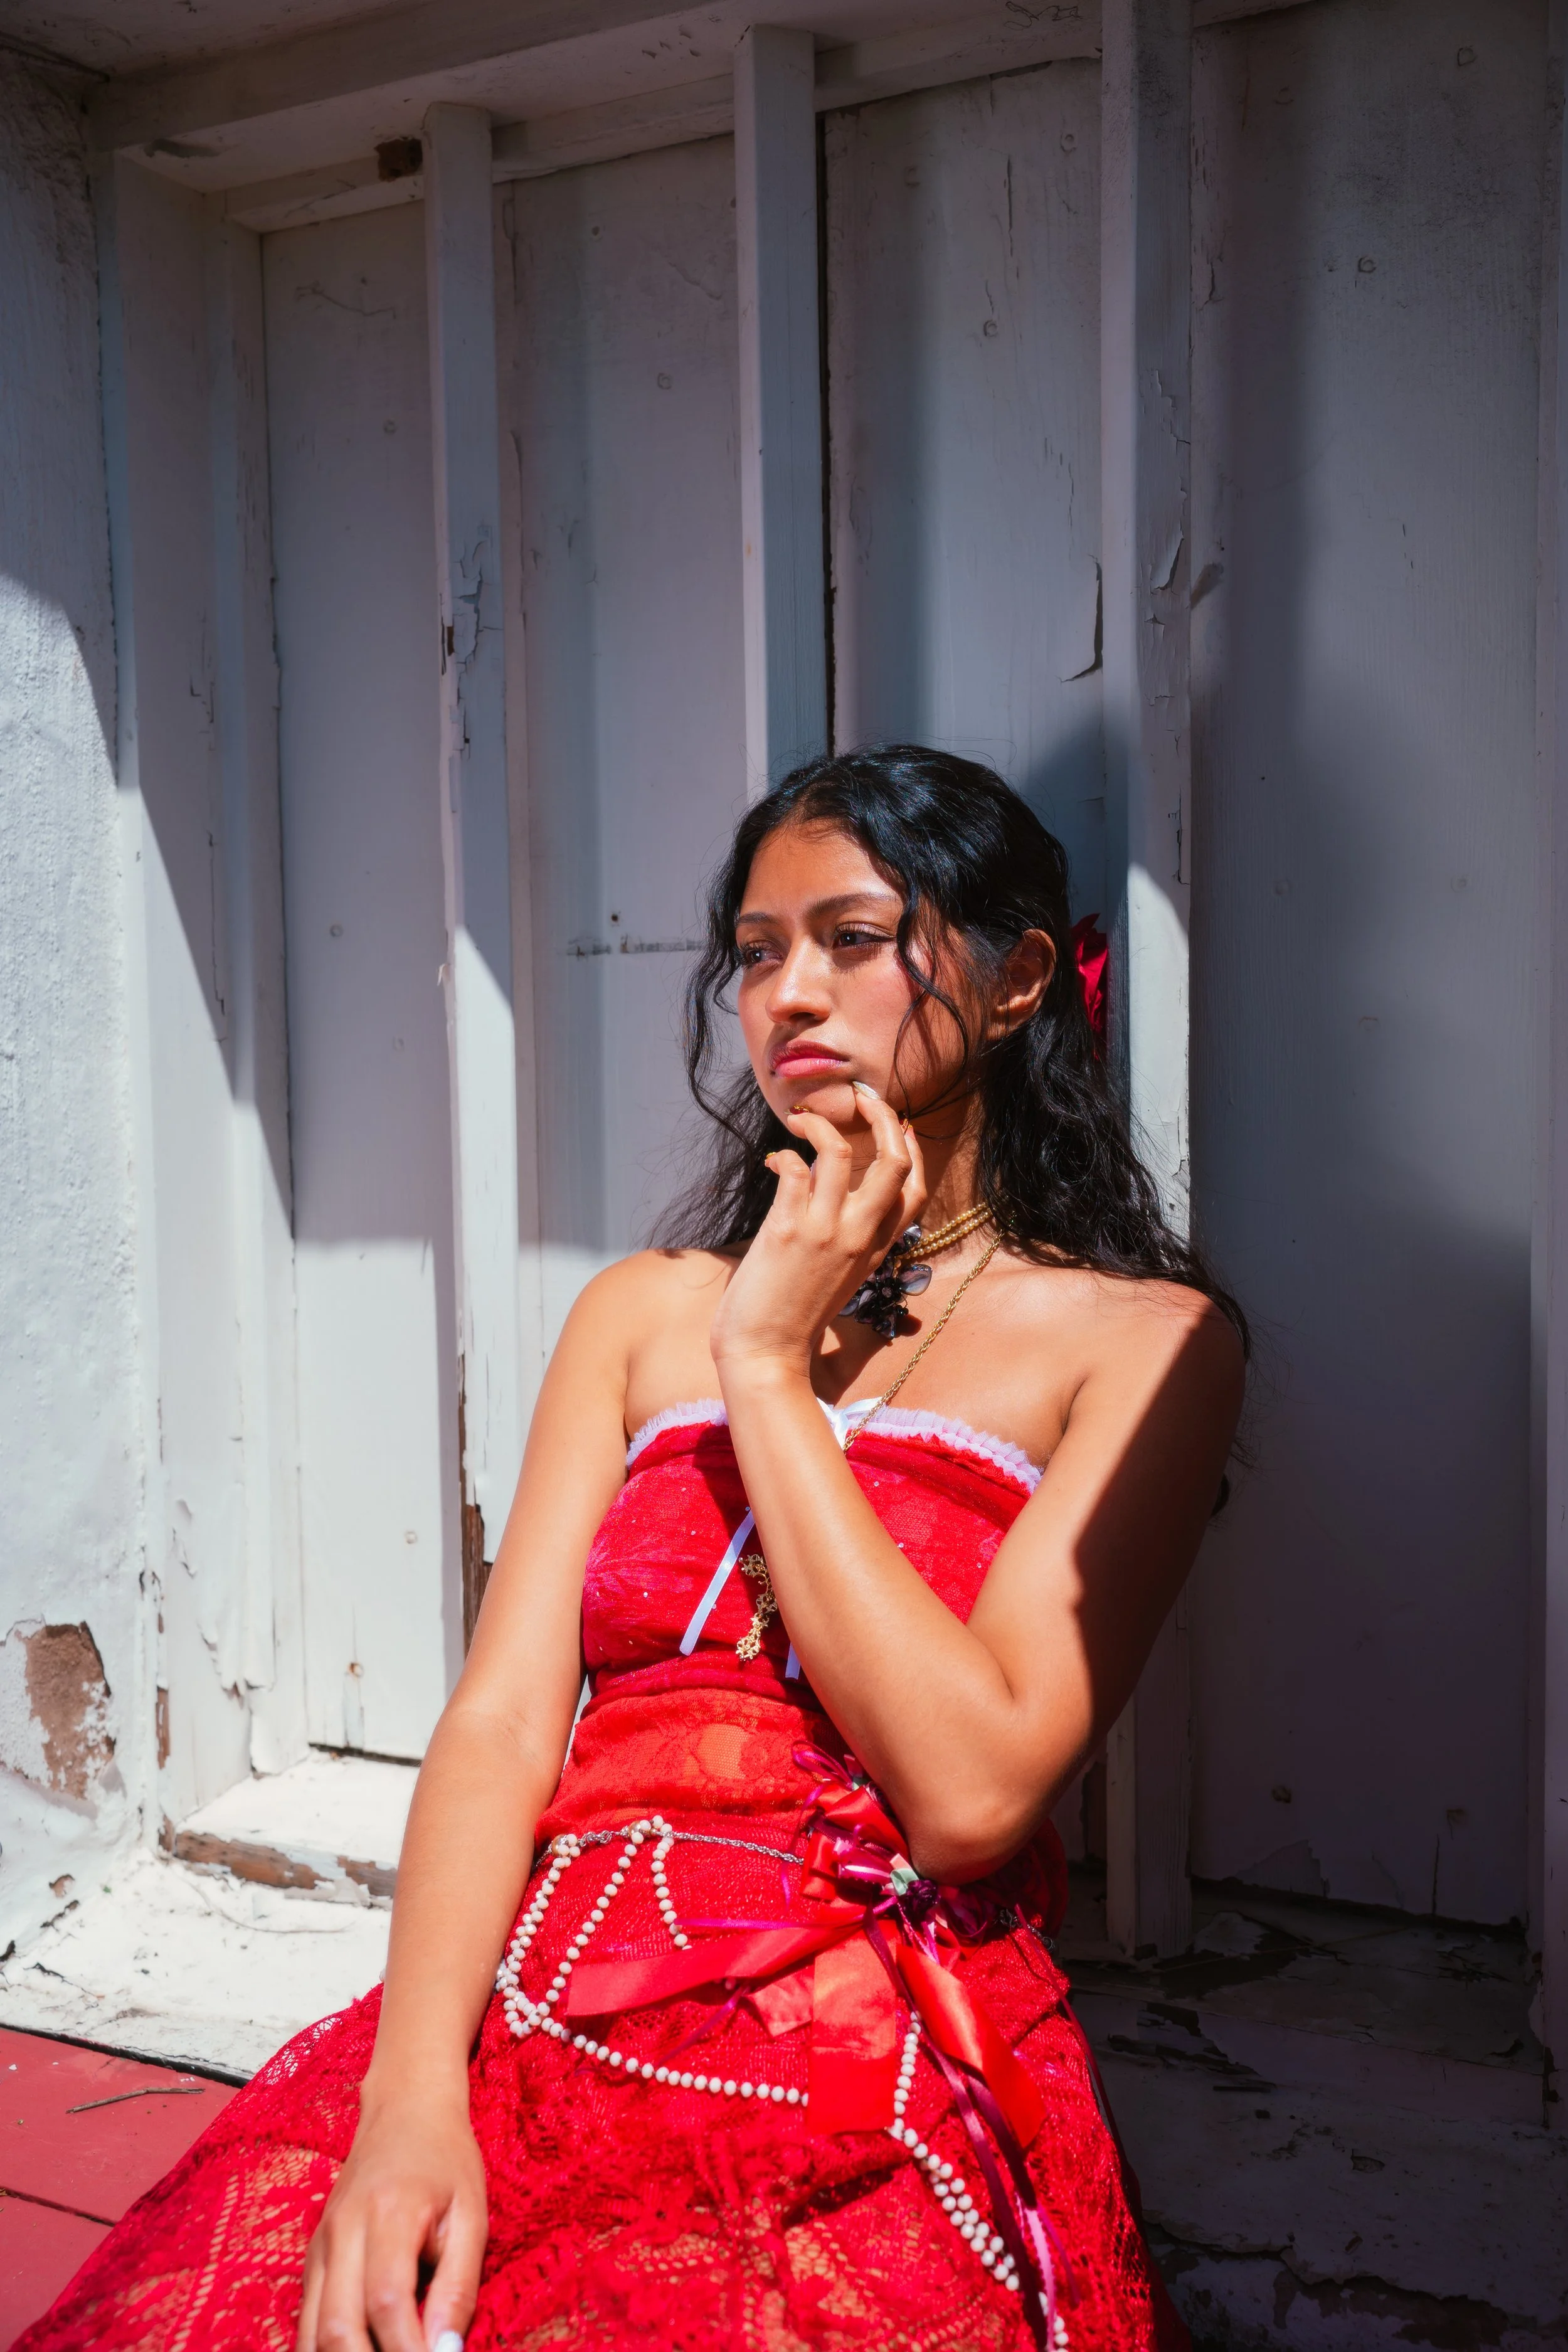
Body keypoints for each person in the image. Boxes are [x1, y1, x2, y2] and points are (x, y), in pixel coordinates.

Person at [21, 746, 1244, 2352]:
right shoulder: (637, 1308)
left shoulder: (1140, 1343)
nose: (789, 991)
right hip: (528, 2002)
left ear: (1017, 978)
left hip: (856, 2029)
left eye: (852, 938)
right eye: (753, 951)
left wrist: (765, 1365)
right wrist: (406, 2113)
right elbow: (504, 1725)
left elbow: (968, 1795)